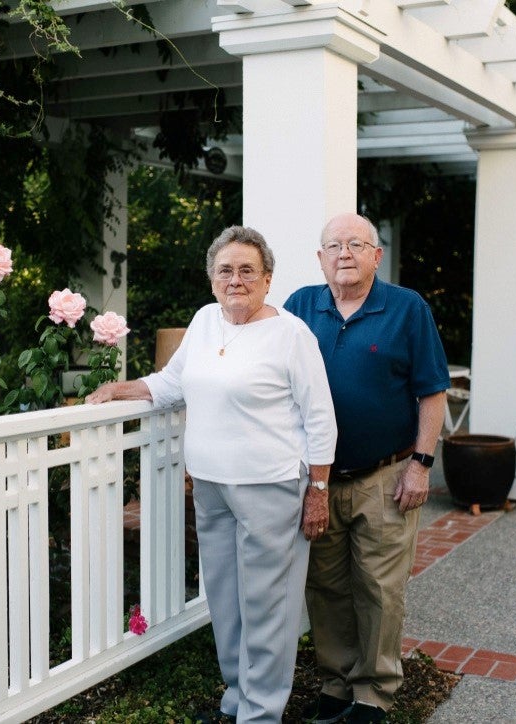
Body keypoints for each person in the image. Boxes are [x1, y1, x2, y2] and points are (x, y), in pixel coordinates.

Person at [86, 226, 337, 723]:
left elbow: (320, 417)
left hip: (272, 485)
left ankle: (261, 713)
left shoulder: (291, 334)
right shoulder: (204, 322)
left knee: (268, 607)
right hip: (211, 486)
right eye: (226, 270)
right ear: (211, 279)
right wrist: (123, 389)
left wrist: (319, 489)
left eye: (248, 270)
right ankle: (238, 698)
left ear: (267, 279)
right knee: (224, 599)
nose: (236, 279)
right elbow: (172, 383)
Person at [284, 213, 450, 723]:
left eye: (356, 244)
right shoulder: (298, 307)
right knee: (326, 584)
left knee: (379, 587)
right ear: (320, 258)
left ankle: (374, 693)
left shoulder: (406, 309)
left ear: (376, 255)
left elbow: (432, 391)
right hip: (320, 479)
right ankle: (337, 682)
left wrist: (421, 465)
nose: (344, 254)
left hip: (386, 476)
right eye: (333, 245)